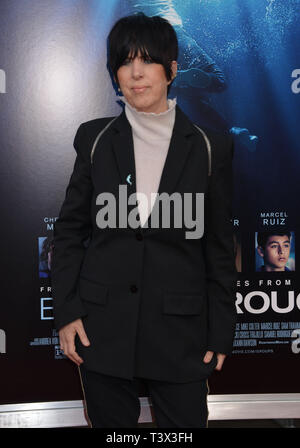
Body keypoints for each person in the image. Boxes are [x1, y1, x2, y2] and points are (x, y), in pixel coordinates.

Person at [52, 13, 237, 428]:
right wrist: (67, 311)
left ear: (172, 70)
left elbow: (220, 247)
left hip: (182, 335)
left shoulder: (212, 147)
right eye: (124, 61)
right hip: (102, 331)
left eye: (148, 61)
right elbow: (67, 234)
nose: (135, 73)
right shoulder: (94, 139)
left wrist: (223, 329)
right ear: (114, 73)